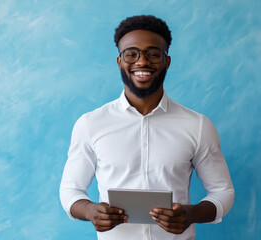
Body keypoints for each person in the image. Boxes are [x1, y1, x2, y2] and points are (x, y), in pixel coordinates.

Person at [59, 15, 235, 240]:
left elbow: (223, 192)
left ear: (166, 61)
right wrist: (89, 211)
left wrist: (192, 213)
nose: (142, 62)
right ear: (119, 61)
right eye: (131, 54)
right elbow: (70, 190)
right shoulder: (91, 124)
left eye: (153, 54)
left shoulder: (198, 125)